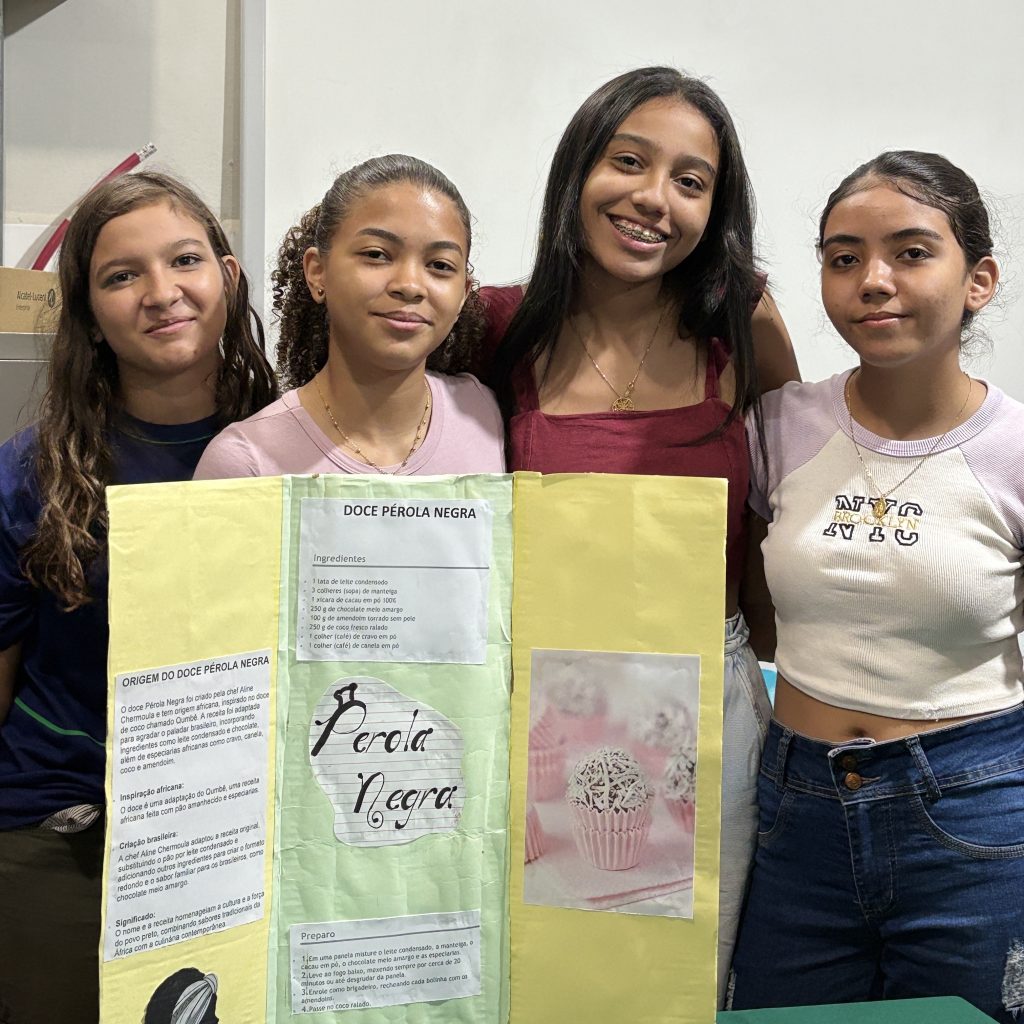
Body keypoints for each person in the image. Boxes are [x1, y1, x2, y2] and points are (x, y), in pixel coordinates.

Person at [483, 66, 798, 1002]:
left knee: (688, 984)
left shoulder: (741, 321)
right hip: (544, 710)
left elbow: (792, 509)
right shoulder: (497, 329)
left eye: (691, 181)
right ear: (579, 169)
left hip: (709, 702)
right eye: (629, 161)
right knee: (555, 984)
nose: (653, 199)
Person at [730, 151, 1024, 1022]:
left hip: (975, 814)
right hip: (794, 808)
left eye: (911, 252)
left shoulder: (1014, 449)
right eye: (844, 257)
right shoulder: (780, 425)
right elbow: (755, 608)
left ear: (978, 280)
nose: (875, 280)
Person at [0, 171, 277, 1024]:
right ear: (87, 311)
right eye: (122, 276)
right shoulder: (33, 469)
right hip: (65, 834)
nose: (162, 294)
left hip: (242, 841)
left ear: (228, 277)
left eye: (184, 260)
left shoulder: (302, 441)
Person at [194, 154, 504, 479]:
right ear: (317, 273)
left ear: (463, 294)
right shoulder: (246, 461)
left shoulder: (484, 414)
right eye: (376, 255)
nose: (410, 285)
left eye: (440, 265)